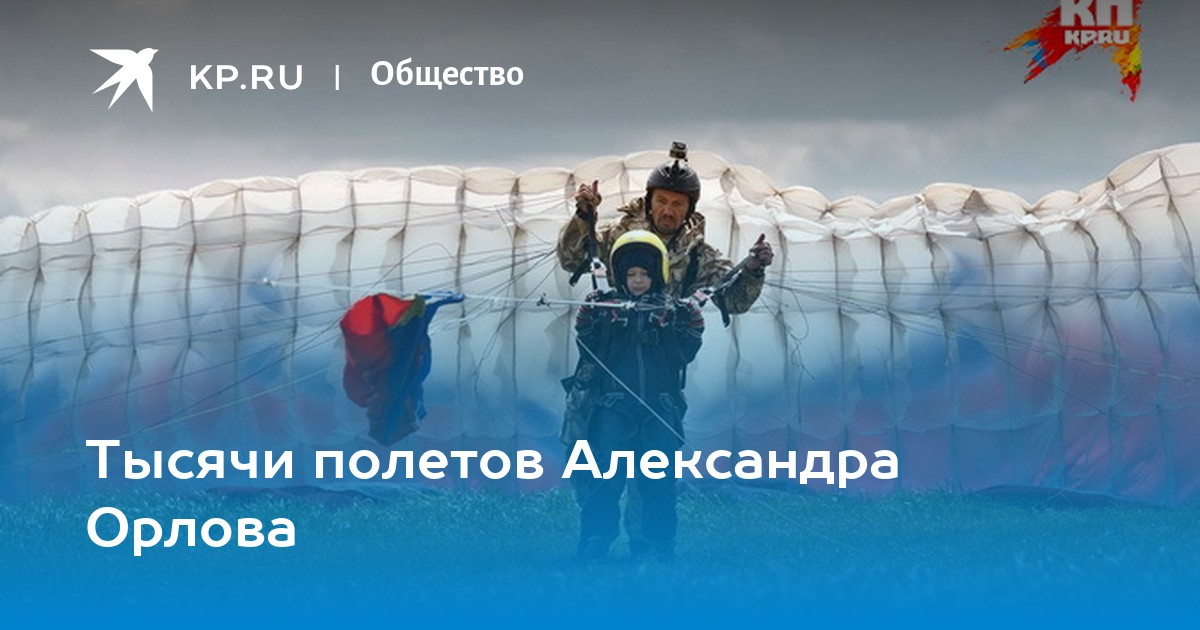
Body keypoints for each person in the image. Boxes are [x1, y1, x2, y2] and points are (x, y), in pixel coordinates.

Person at [564, 230, 704, 562]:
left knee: (658, 482)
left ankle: (661, 544)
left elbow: (687, 349)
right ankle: (596, 538)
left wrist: (685, 316)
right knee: (605, 477)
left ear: (658, 275)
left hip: (659, 408)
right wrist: (596, 313)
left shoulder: (671, 311)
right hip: (613, 407)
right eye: (631, 274)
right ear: (620, 276)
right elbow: (586, 343)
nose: (638, 280)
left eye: (644, 274)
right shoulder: (607, 308)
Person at [557, 142, 774, 316]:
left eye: (677, 204)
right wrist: (583, 216)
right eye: (661, 201)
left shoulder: (698, 255)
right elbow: (571, 261)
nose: (668, 211)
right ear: (649, 201)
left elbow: (735, 302)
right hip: (612, 342)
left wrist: (753, 270)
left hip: (664, 348)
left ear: (689, 210)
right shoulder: (617, 235)